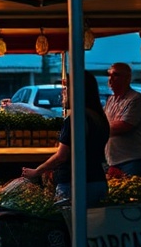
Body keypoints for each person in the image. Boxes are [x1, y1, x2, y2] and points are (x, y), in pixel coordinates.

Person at [22, 71, 110, 205]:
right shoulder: (99, 117)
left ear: (76, 91)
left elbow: (62, 155)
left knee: (69, 224)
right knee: (94, 224)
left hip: (75, 183)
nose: (62, 93)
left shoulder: (75, 119)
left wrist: (37, 171)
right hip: (97, 181)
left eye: (66, 88)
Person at [103, 62, 141, 176]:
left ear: (127, 78)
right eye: (109, 75)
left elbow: (124, 126)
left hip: (132, 159)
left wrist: (99, 129)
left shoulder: (136, 99)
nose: (111, 79)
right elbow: (105, 122)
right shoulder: (111, 100)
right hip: (112, 160)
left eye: (116, 75)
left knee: (131, 191)